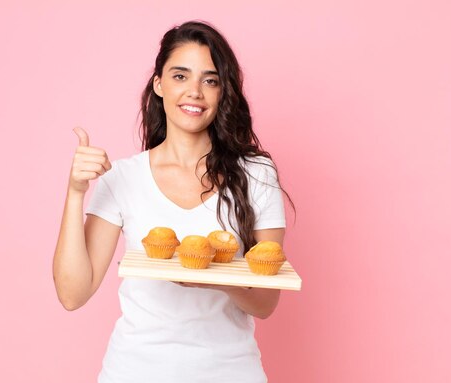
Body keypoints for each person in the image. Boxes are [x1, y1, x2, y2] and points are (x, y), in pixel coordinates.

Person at [53, 20, 293, 382]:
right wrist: (75, 193)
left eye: (209, 80)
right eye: (180, 76)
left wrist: (216, 278)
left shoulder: (257, 172)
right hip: (134, 370)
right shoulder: (124, 177)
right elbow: (73, 293)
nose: (194, 91)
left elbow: (266, 303)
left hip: (230, 372)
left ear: (222, 92)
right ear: (159, 84)